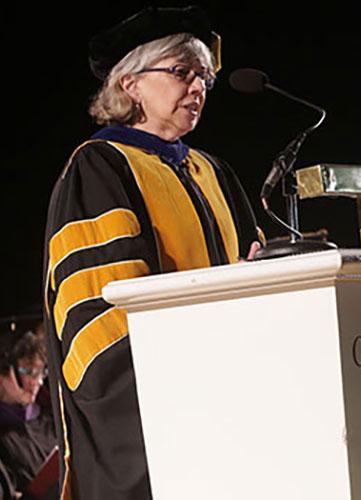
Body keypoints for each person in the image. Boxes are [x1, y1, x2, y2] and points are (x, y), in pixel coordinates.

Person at [42, 6, 262, 499]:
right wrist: (189, 390)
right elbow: (100, 321)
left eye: (204, 75)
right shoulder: (100, 167)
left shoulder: (215, 172)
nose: (199, 86)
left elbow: (255, 268)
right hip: (160, 417)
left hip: (239, 394)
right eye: (181, 72)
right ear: (130, 84)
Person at [0, 329, 57, 498]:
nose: (37, 382)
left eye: (41, 373)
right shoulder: (3, 439)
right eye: (30, 372)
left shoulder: (49, 420)